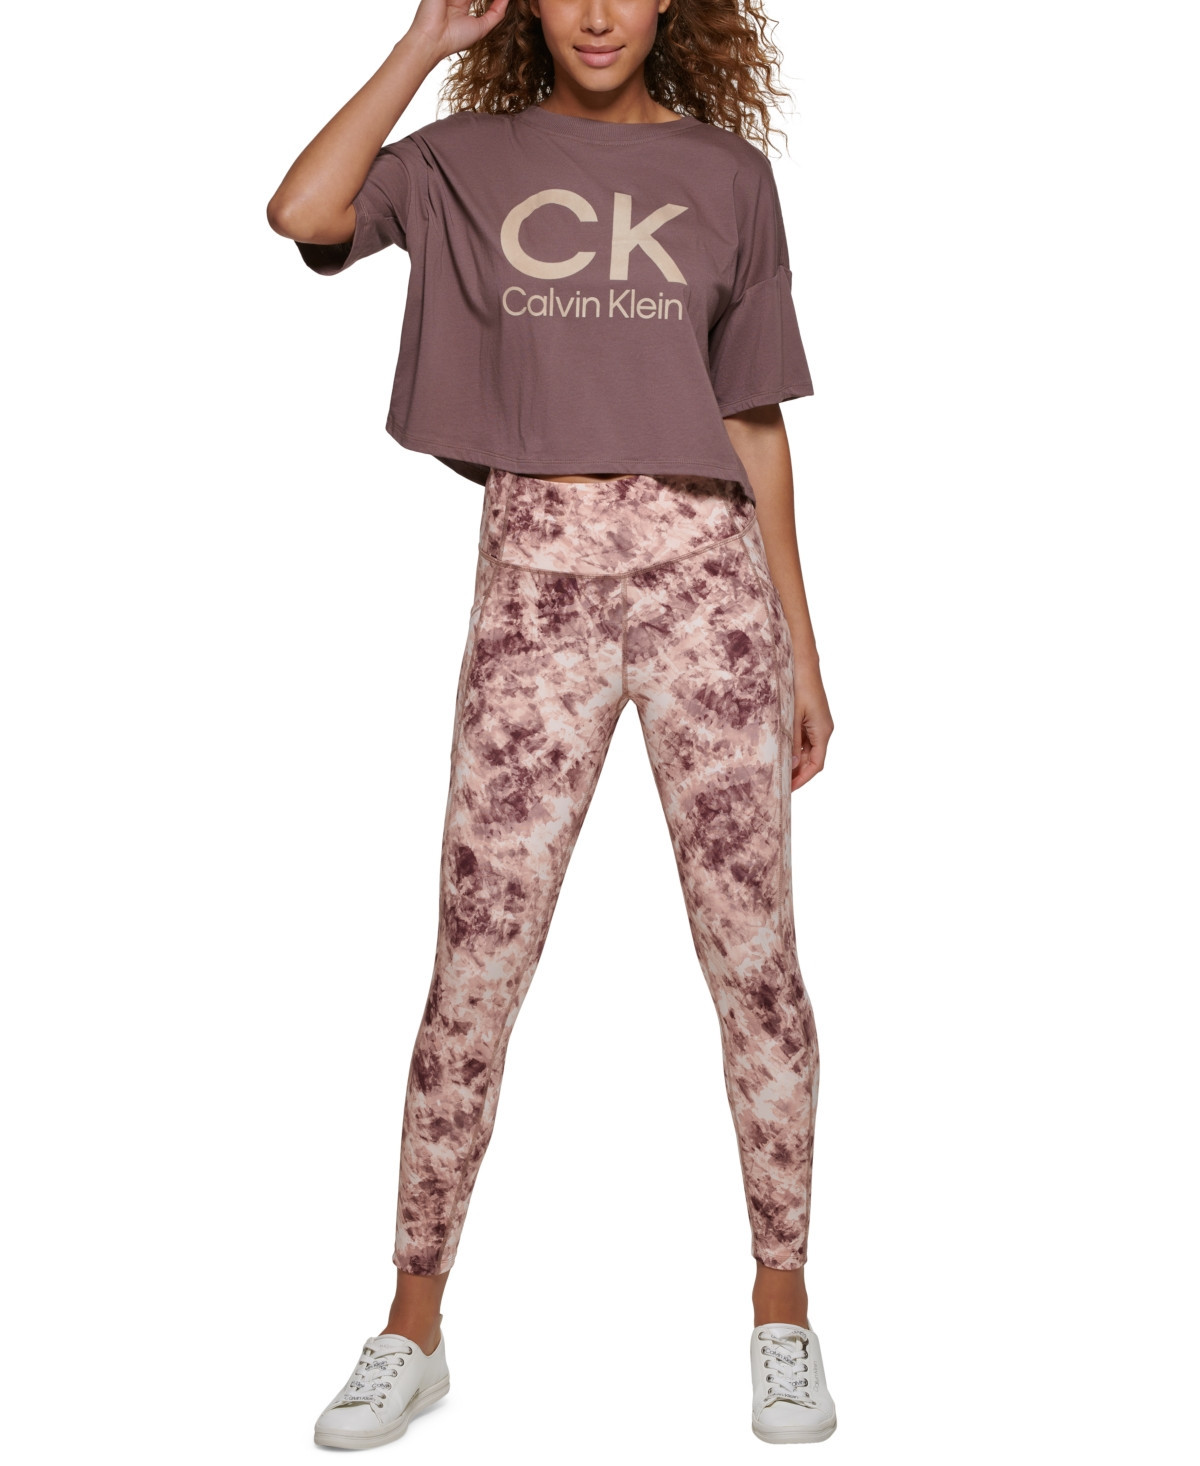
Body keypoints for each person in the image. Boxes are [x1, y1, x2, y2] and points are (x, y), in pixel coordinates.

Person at [267, 0, 836, 1447]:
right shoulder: (464, 161)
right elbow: (303, 210)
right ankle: (411, 1325)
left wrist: (804, 646)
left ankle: (782, 1311)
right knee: (477, 958)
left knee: (754, 956)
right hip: (537, 585)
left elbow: (756, 420)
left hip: (709, 585)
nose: (597, 12)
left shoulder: (727, 176)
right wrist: (419, 44)